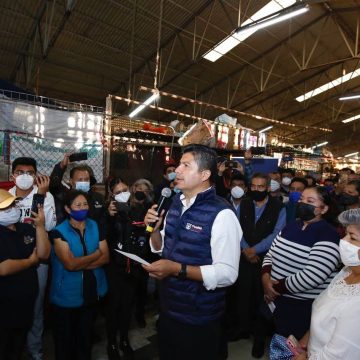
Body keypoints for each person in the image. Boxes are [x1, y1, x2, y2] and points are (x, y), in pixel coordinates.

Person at [143, 144, 242, 360]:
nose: (177, 170)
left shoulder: (222, 214)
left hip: (199, 316)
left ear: (205, 174)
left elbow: (227, 274)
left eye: (185, 165)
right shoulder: (174, 204)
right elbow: (161, 249)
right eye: (179, 164)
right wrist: (155, 230)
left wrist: (176, 269)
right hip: (169, 308)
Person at [262, 186, 340, 342]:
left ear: (323, 209)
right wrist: (265, 279)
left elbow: (313, 276)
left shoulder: (328, 234)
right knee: (276, 340)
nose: (302, 203)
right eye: (301, 199)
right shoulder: (291, 226)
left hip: (300, 307)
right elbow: (270, 254)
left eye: (310, 201)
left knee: (292, 348)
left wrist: (274, 289)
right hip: (275, 299)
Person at [49, 190, 109, 360]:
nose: (82, 208)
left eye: (85, 204)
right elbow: (70, 264)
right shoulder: (59, 232)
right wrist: (95, 255)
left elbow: (106, 257)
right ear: (68, 209)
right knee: (65, 343)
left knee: (85, 340)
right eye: (78, 205)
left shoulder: (94, 225)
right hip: (66, 297)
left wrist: (82, 262)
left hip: (91, 292)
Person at [293, 208, 360, 359]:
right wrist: (307, 339)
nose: (343, 241)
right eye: (346, 234)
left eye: (353, 238)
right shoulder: (347, 271)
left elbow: (338, 355)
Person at [9, 156, 57, 360]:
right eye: (20, 172)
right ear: (13, 176)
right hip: (11, 261)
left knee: (36, 307)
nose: (25, 176)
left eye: (30, 173)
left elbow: (49, 227)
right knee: (11, 305)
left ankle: (35, 350)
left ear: (36, 175)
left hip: (38, 259)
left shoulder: (46, 196)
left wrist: (41, 196)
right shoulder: (5, 196)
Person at [236, 172, 286, 358]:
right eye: (254, 186)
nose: (257, 190)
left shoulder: (278, 207)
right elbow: (236, 227)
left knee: (261, 298)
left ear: (268, 188)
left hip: (265, 260)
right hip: (244, 257)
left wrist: (255, 250)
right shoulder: (245, 203)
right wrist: (246, 249)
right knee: (242, 294)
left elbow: (276, 234)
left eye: (261, 187)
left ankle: (259, 338)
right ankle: (242, 328)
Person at [105, 178, 152, 360]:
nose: (123, 193)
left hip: (133, 266)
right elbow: (105, 236)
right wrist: (109, 217)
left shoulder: (137, 210)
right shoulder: (108, 212)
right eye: (118, 192)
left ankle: (124, 339)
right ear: (111, 195)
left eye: (125, 189)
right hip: (114, 267)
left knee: (127, 305)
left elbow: (145, 232)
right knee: (113, 307)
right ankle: (111, 343)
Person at [0, 189, 50, 360]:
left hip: (26, 302)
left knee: (17, 347)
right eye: (5, 207)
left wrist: (41, 226)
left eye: (13, 204)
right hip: (5, 306)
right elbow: (4, 268)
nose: (12, 208)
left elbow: (43, 254)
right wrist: (30, 262)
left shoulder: (25, 229)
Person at [49, 153, 105, 227]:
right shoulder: (64, 196)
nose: (84, 182)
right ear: (71, 182)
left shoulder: (98, 198)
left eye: (86, 179)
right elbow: (54, 185)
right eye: (80, 180)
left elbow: (103, 223)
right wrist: (61, 166)